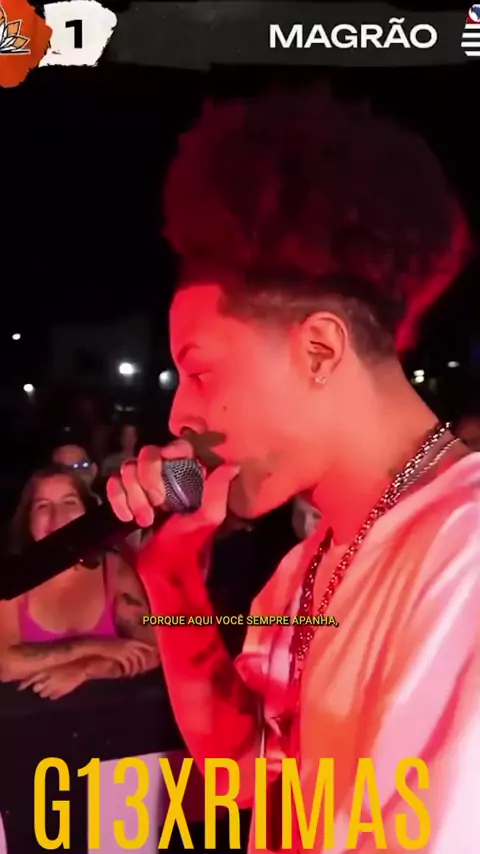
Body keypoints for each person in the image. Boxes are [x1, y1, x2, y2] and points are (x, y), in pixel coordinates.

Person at [106, 84, 480, 852]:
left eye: (199, 371)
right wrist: (172, 581)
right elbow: (247, 781)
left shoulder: (464, 554)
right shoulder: (301, 572)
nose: (178, 417)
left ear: (319, 350)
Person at [0, 464, 158, 700]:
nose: (58, 516)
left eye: (70, 502)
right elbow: (5, 665)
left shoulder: (113, 571)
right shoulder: (10, 578)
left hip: (109, 717)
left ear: (87, 512)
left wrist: (86, 668)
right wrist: (94, 647)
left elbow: (150, 651)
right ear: (28, 520)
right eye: (43, 505)